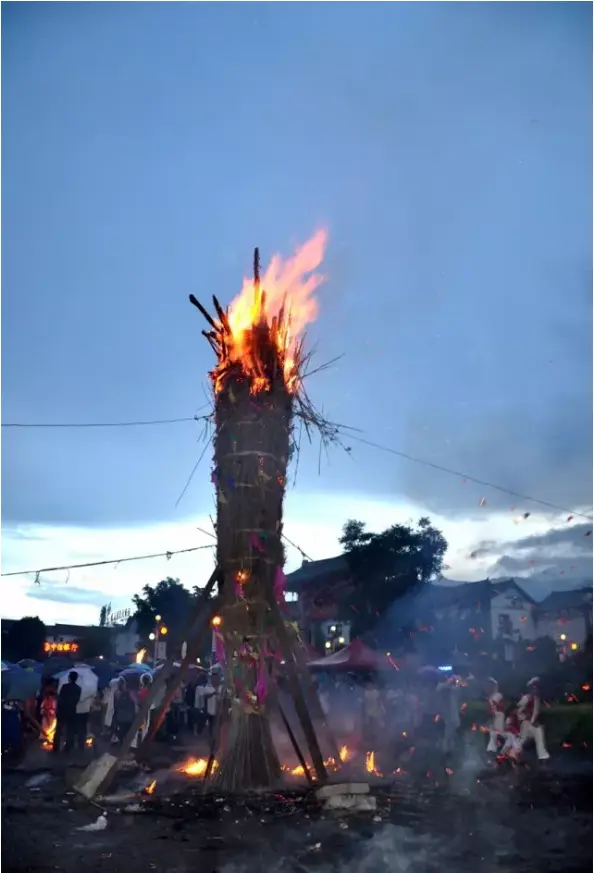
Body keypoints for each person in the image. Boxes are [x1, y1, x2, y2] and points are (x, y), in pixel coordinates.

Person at [517, 677, 550, 761]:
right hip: (525, 723)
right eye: (534, 687)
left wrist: (534, 721)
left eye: (537, 688)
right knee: (522, 739)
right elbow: (518, 710)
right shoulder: (527, 698)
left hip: (532, 724)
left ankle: (543, 757)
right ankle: (514, 754)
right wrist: (527, 718)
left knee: (539, 733)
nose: (536, 690)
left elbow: (536, 712)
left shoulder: (537, 699)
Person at [54, 671, 81, 753]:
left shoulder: (64, 687)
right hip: (72, 711)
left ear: (69, 678)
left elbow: (60, 699)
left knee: (58, 729)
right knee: (70, 730)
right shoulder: (78, 689)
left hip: (62, 711)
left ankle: (56, 747)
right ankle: (68, 747)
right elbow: (76, 700)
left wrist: (57, 709)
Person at [195, 671, 222, 739]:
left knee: (219, 727)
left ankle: (217, 740)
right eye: (214, 678)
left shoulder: (222, 688)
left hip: (220, 711)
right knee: (212, 726)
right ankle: (212, 739)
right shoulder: (207, 687)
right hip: (210, 711)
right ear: (212, 679)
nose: (215, 680)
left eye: (217, 678)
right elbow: (205, 696)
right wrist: (213, 693)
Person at [113, 677, 137, 744]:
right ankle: (124, 745)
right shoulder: (131, 693)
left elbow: (116, 705)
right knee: (126, 732)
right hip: (128, 716)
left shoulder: (117, 693)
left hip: (121, 716)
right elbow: (137, 703)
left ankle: (121, 744)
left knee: (121, 731)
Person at [485, 678, 506, 754]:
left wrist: (491, 714)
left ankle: (499, 751)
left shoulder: (497, 695)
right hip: (494, 716)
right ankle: (492, 751)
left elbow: (493, 706)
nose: (487, 688)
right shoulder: (491, 696)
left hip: (498, 716)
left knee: (498, 734)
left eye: (489, 686)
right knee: (493, 734)